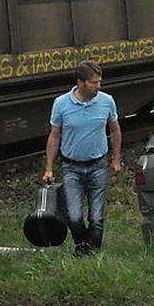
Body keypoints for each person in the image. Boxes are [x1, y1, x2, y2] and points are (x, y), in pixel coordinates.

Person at [42, 61, 122, 254]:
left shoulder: (106, 101)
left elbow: (115, 129)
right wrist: (49, 167)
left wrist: (116, 158)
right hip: (71, 167)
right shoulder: (61, 104)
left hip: (98, 165)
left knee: (96, 216)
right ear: (81, 82)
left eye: (100, 82)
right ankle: (82, 243)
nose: (98, 86)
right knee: (74, 215)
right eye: (94, 82)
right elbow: (54, 136)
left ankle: (90, 251)